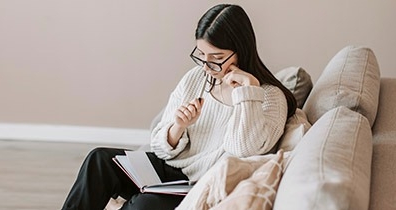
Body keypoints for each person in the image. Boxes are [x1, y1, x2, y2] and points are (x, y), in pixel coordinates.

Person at [61, 4, 297, 210]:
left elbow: (244, 151)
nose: (206, 65)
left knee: (145, 205)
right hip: (170, 171)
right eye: (202, 55)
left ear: (241, 50)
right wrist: (178, 127)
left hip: (201, 185)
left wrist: (248, 92)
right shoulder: (196, 78)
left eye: (216, 57)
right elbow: (160, 146)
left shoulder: (269, 97)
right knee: (100, 159)